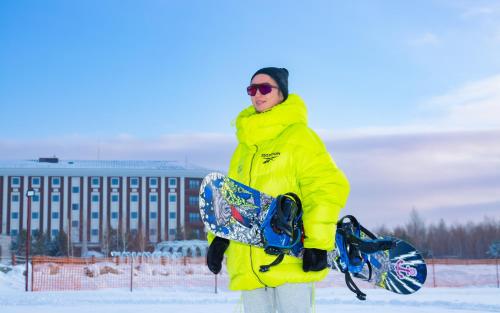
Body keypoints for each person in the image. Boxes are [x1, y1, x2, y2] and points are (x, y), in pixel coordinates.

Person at [206, 67, 350, 313]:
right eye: (252, 89)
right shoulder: (243, 148)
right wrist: (219, 239)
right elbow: (232, 200)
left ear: (281, 92)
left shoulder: (299, 137)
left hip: (290, 263)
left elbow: (326, 187)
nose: (257, 95)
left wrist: (318, 243)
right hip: (250, 266)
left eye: (265, 88)